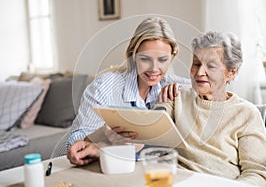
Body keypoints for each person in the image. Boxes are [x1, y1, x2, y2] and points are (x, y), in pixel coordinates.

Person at [51, 17, 187, 165]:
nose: (154, 69)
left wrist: (185, 90)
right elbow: (76, 139)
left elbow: (209, 86)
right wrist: (102, 135)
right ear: (133, 55)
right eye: (145, 59)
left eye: (162, 60)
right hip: (63, 164)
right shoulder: (105, 86)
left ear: (172, 58)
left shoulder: (169, 83)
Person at [154, 31, 266, 186]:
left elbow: (257, 174)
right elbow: (149, 136)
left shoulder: (246, 114)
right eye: (196, 64)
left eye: (211, 66)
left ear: (231, 73)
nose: (199, 72)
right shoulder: (175, 97)